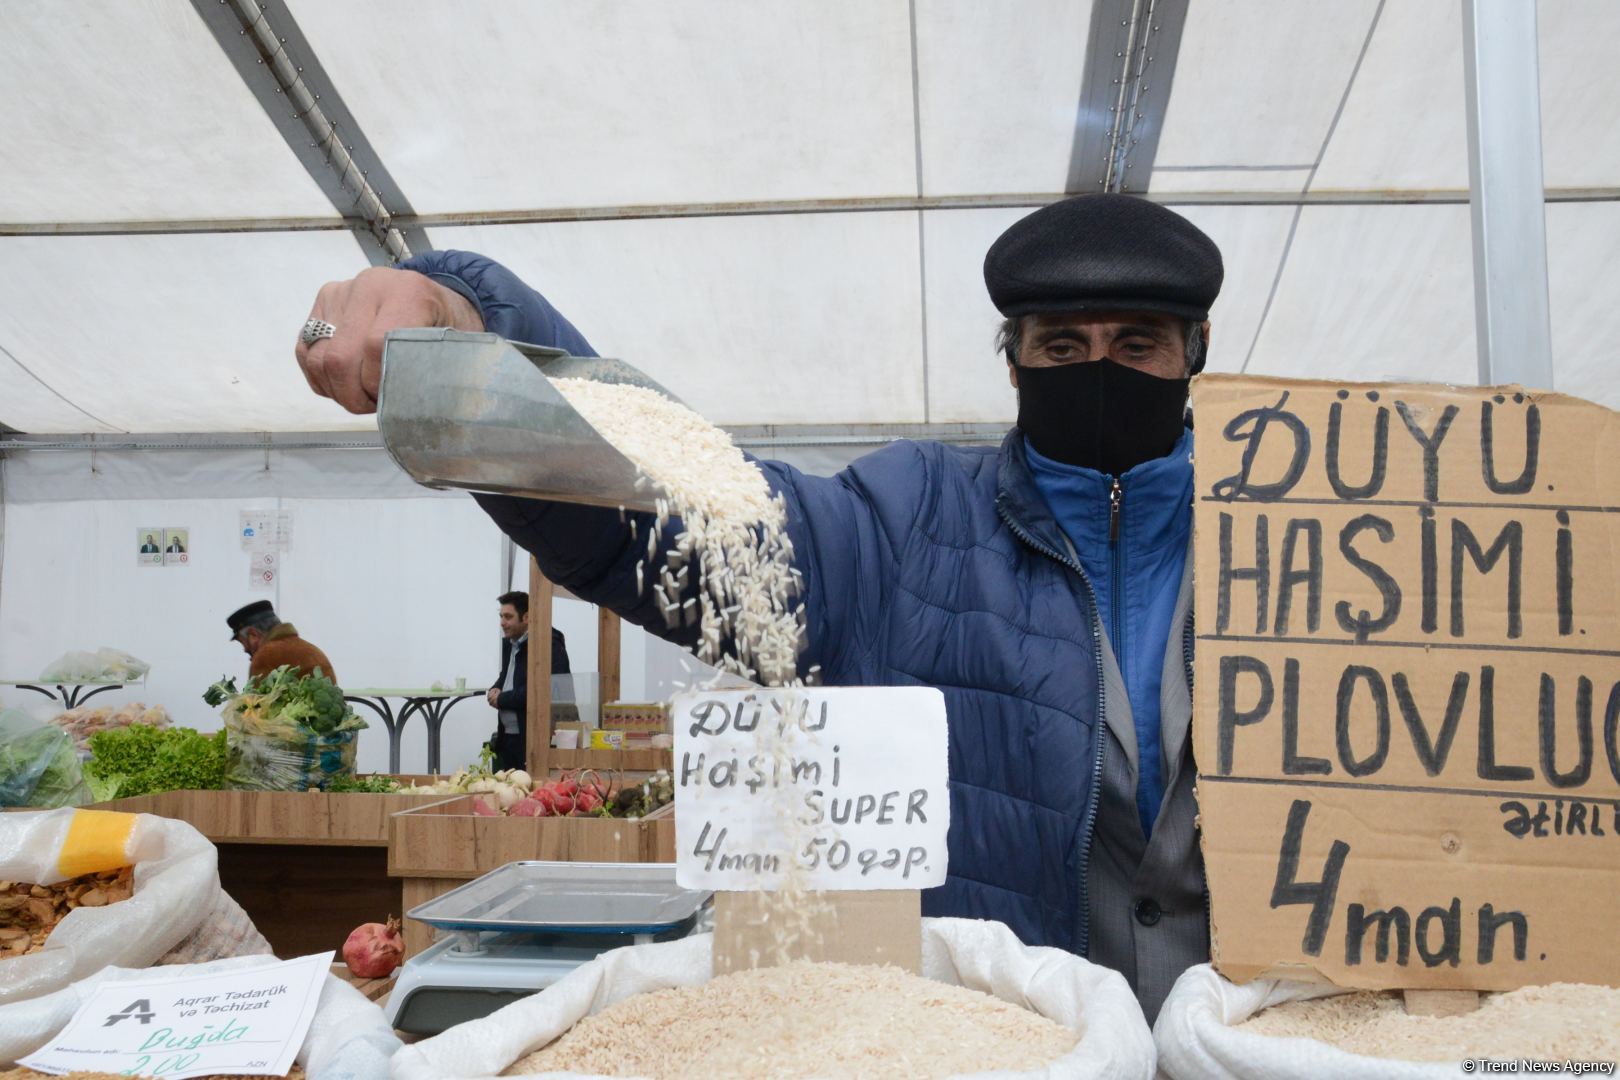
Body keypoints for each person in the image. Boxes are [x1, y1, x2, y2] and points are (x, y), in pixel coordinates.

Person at [295, 194, 1219, 1021]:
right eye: (1062, 346)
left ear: (1195, 355)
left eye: (1137, 344)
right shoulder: (906, 522)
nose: (1099, 369)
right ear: (1014, 364)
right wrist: (471, 335)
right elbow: (659, 514)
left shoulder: (1298, 535)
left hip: (1254, 1041)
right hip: (996, 1040)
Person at [486, 590, 572, 771]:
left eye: (508, 617)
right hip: (509, 737)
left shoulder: (548, 643)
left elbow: (545, 689)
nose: (502, 622)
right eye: (501, 616)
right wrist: (495, 689)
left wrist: (502, 699)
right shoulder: (511, 643)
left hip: (534, 739)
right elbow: (506, 675)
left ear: (526, 617)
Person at [226, 600, 339, 684]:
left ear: (253, 635)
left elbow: (255, 710)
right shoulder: (312, 650)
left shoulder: (265, 656)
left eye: (242, 642)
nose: (245, 649)